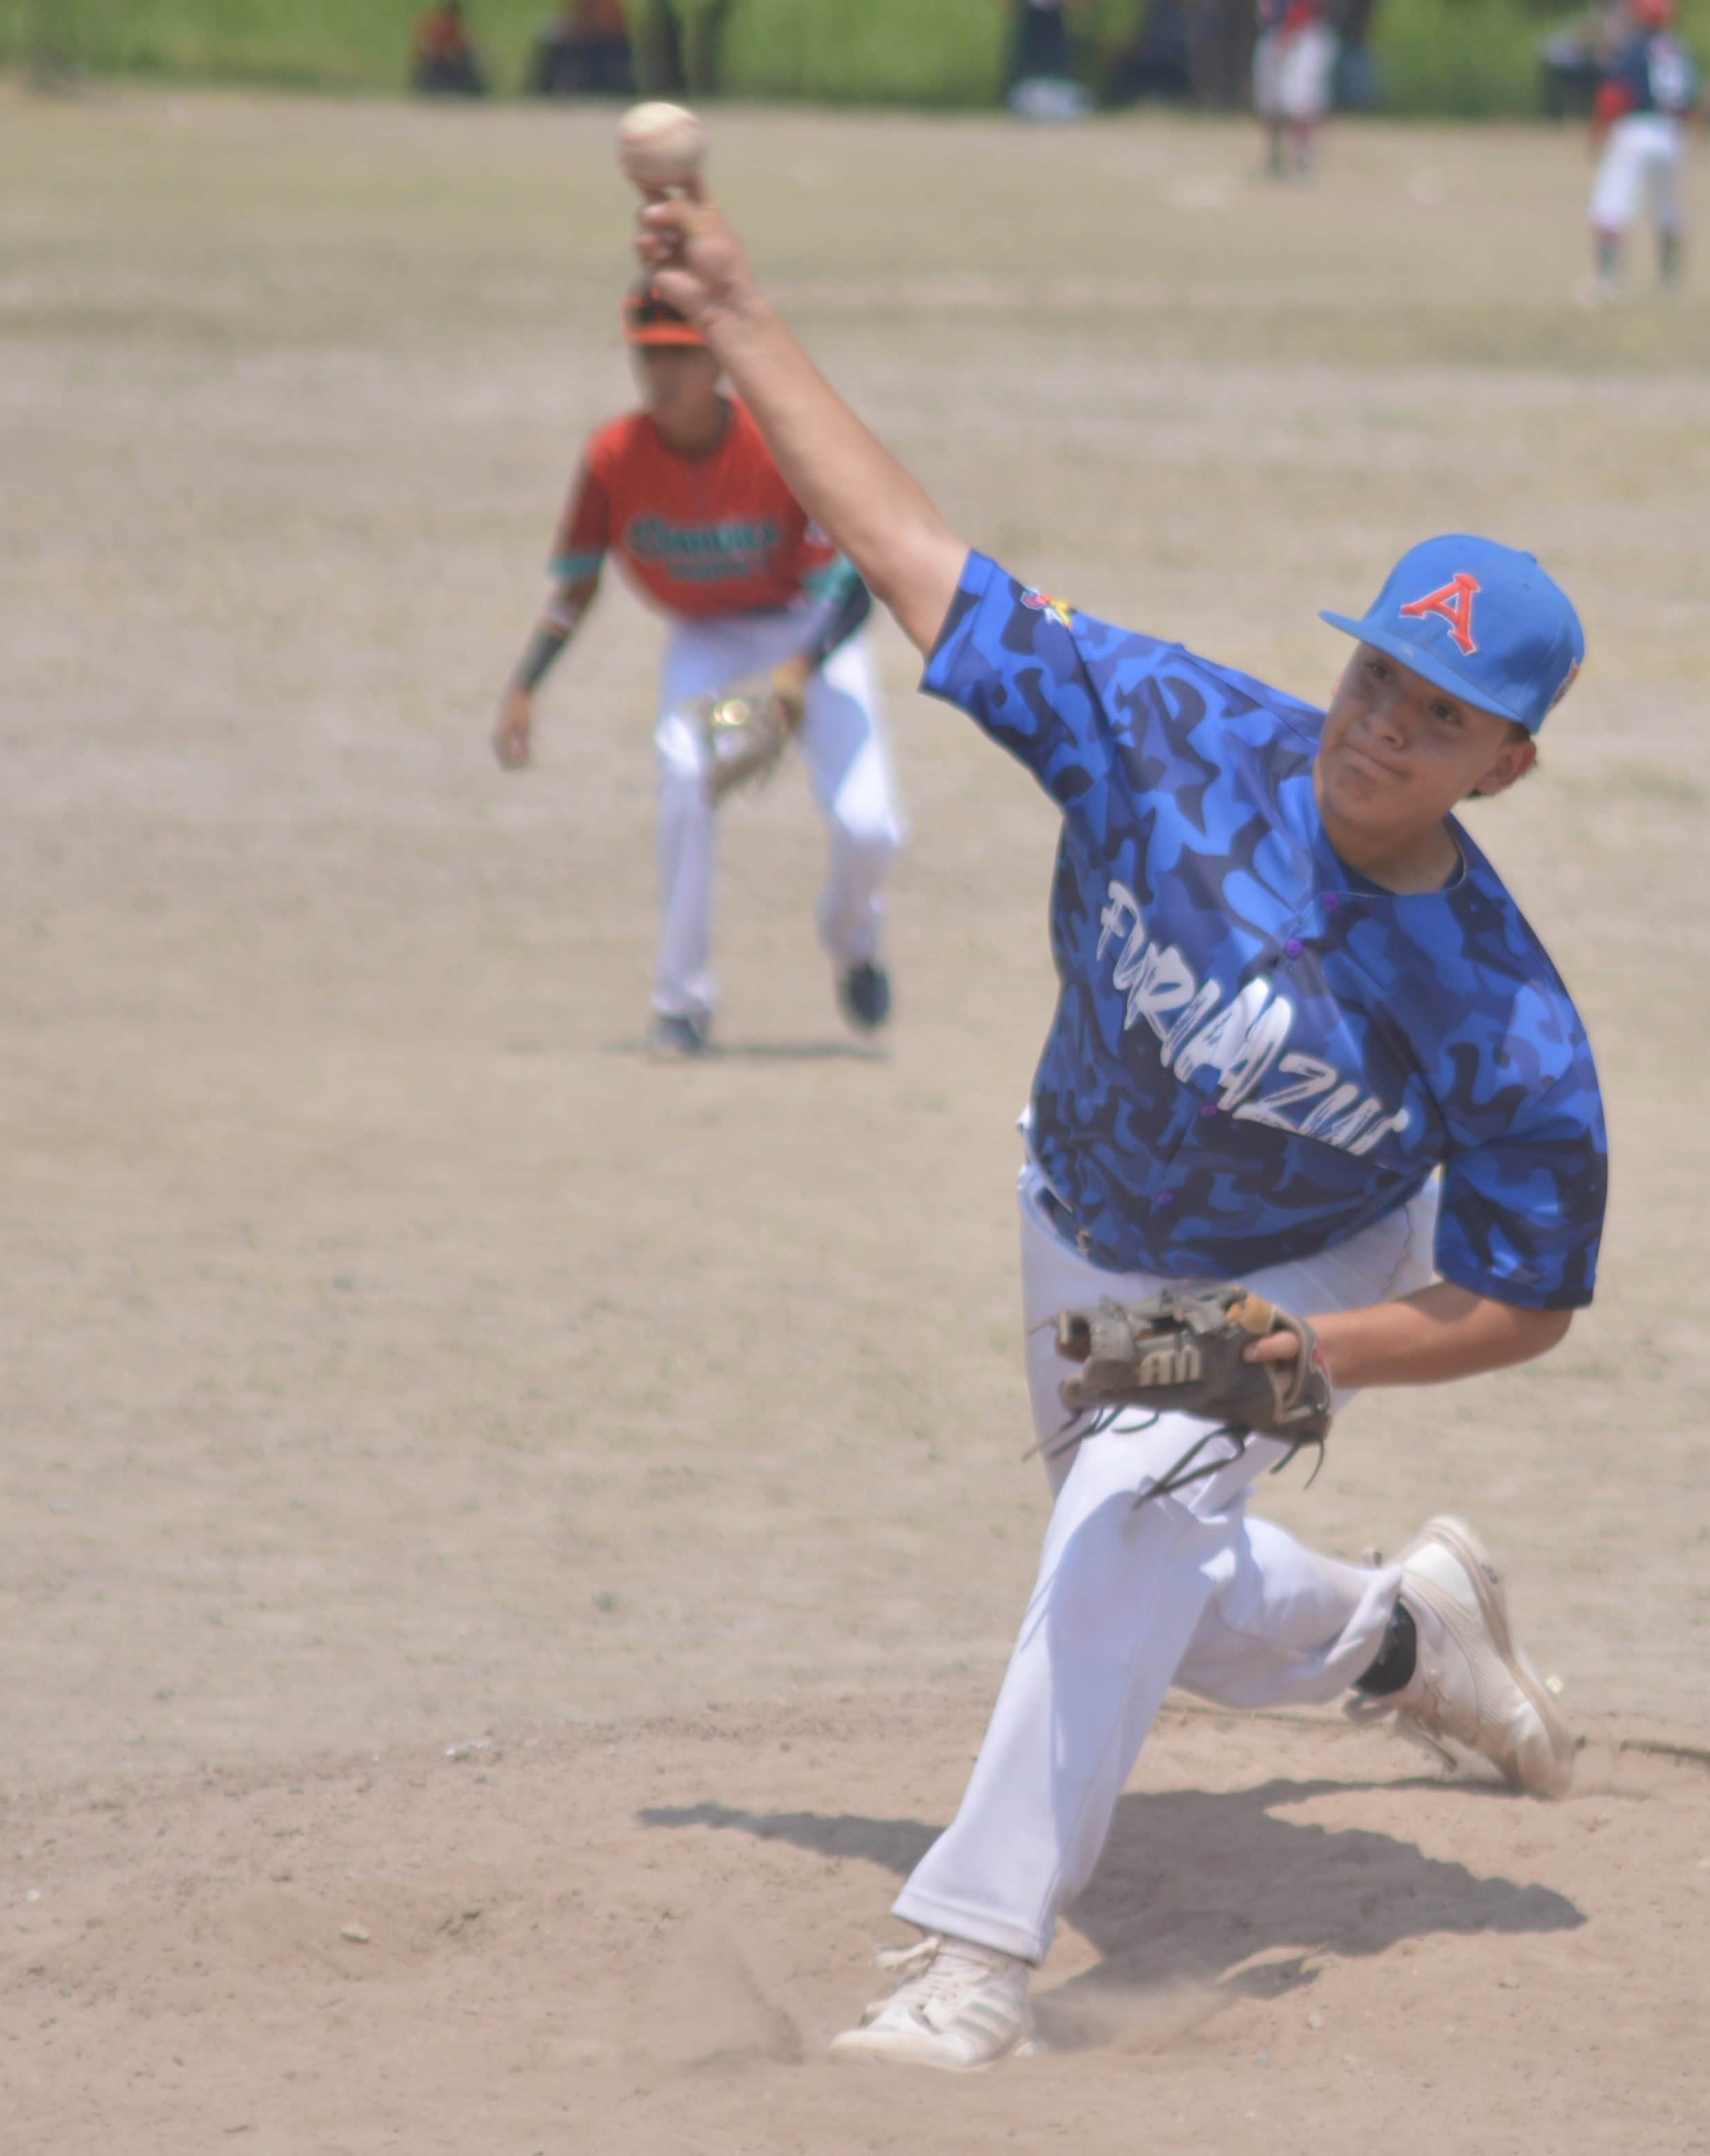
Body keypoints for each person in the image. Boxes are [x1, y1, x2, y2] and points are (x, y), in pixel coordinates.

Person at [630, 169, 1608, 2071]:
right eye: (1373, 676)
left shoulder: (1498, 1008)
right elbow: (918, 562)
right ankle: (1408, 1640)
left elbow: (1528, 1290)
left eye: (1440, 717)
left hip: (1292, 1266)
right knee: (1165, 1583)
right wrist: (737, 315)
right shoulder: (1165, 733)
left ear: (1510, 760)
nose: (1379, 728)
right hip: (1073, 1205)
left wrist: (1295, 1351)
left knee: (1126, 1509)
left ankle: (972, 1968)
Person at [495, 286, 906, 1057]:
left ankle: (852, 938)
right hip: (714, 655)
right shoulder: (615, 459)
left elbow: (859, 587)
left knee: (869, 824)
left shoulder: (777, 447)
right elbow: (578, 584)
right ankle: (682, 1001)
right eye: (650, 352)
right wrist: (527, 683)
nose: (662, 370)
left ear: (715, 360)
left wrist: (797, 672)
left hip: (808, 637)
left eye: (679, 353)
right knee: (685, 769)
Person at [1581, 0, 1699, 305]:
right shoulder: (1678, 50)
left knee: (1610, 205)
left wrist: (1597, 134)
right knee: (1669, 212)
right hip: (1672, 132)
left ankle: (1606, 281)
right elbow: (1688, 100)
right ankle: (1670, 283)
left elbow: (1614, 94)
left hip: (1636, 129)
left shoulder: (1634, 48)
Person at [1252, 0, 1338, 180]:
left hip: (1303, 34)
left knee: (1300, 102)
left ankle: (1300, 162)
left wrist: (1287, 36)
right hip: (1276, 32)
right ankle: (1273, 160)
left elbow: (1305, 7)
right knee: (1271, 103)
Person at [530, 0, 638, 98]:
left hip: (604, 43)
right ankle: (548, 87)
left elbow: (596, 22)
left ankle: (556, 86)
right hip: (594, 39)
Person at [410, 0, 488, 98]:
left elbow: (465, 49)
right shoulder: (436, 27)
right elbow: (426, 50)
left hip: (450, 65)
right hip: (436, 68)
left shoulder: (456, 29)